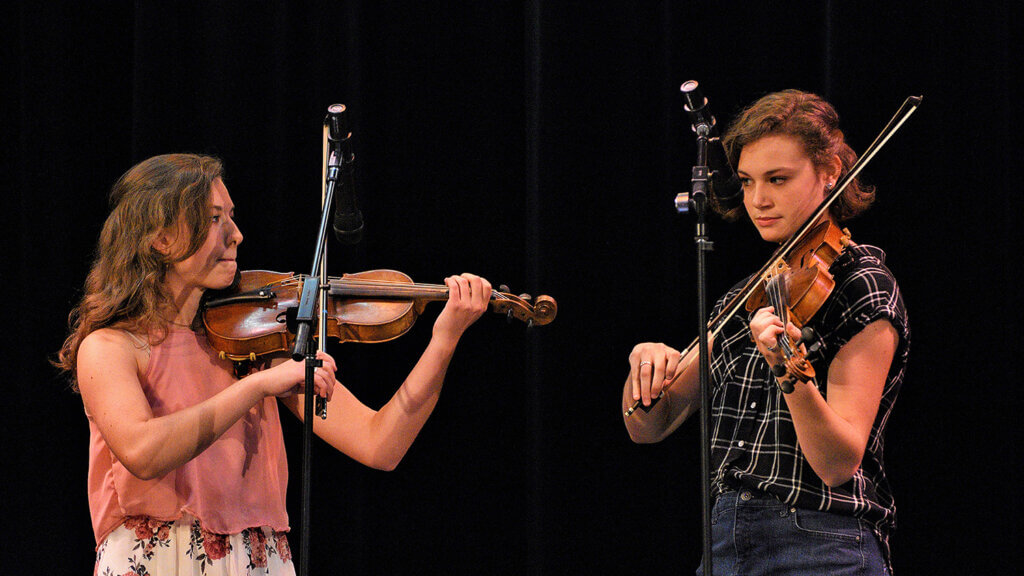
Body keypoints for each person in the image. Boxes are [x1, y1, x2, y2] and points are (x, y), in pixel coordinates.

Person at [57, 153, 492, 575]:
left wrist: (444, 339)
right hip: (160, 561)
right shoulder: (111, 346)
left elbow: (381, 445)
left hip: (255, 561)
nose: (236, 234)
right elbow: (143, 453)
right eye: (213, 218)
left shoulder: (253, 343)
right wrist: (257, 387)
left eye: (230, 215)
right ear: (160, 238)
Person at [622, 90, 909, 575]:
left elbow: (837, 464)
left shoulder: (862, 284)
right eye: (749, 181)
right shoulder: (741, 298)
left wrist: (787, 370)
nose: (758, 199)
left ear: (829, 173)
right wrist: (644, 367)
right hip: (726, 543)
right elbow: (649, 424)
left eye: (778, 179)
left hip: (823, 543)